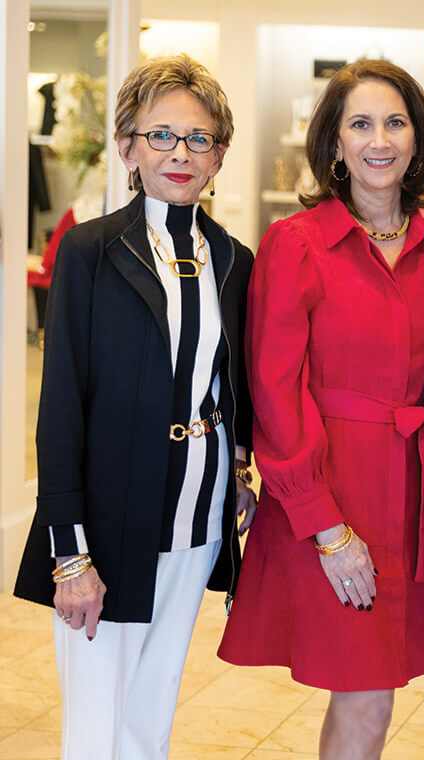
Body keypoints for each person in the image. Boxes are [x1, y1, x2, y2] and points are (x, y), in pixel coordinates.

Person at [13, 54, 255, 760]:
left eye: (199, 138)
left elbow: (230, 382)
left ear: (218, 157)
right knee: (96, 728)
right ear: (127, 148)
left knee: (149, 719)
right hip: (108, 524)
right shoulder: (89, 251)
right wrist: (69, 556)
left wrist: (240, 464)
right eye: (161, 135)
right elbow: (61, 411)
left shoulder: (234, 259)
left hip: (199, 519)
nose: (180, 153)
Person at [217, 59, 424, 759]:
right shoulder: (296, 244)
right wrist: (326, 528)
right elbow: (274, 390)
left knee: (374, 691)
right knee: (365, 695)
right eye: (361, 124)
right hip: (332, 498)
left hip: (412, 498)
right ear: (335, 143)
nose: (379, 140)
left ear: (417, 139)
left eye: (395, 122)